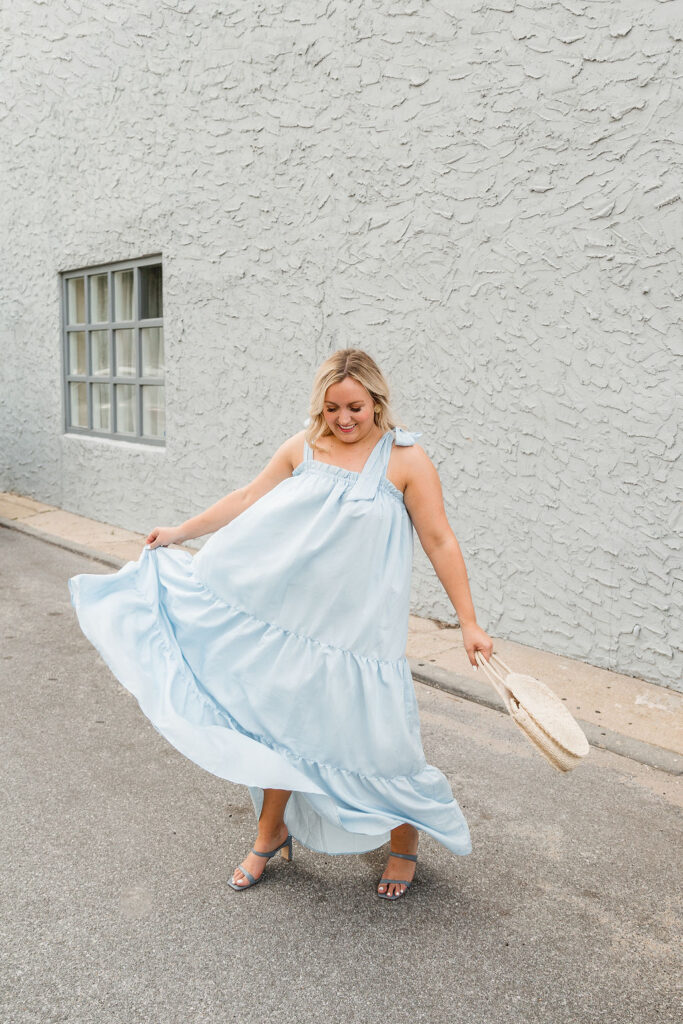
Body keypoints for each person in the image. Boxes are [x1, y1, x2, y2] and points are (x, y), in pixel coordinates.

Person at [68, 348, 493, 902]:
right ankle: (271, 832)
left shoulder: (406, 460)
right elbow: (246, 498)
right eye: (333, 406)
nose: (344, 419)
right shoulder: (303, 447)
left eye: (356, 407)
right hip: (296, 622)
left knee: (383, 737)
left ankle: (404, 838)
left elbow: (439, 539)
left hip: (361, 632)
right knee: (282, 726)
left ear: (377, 402)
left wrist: (469, 623)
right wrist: (180, 532)